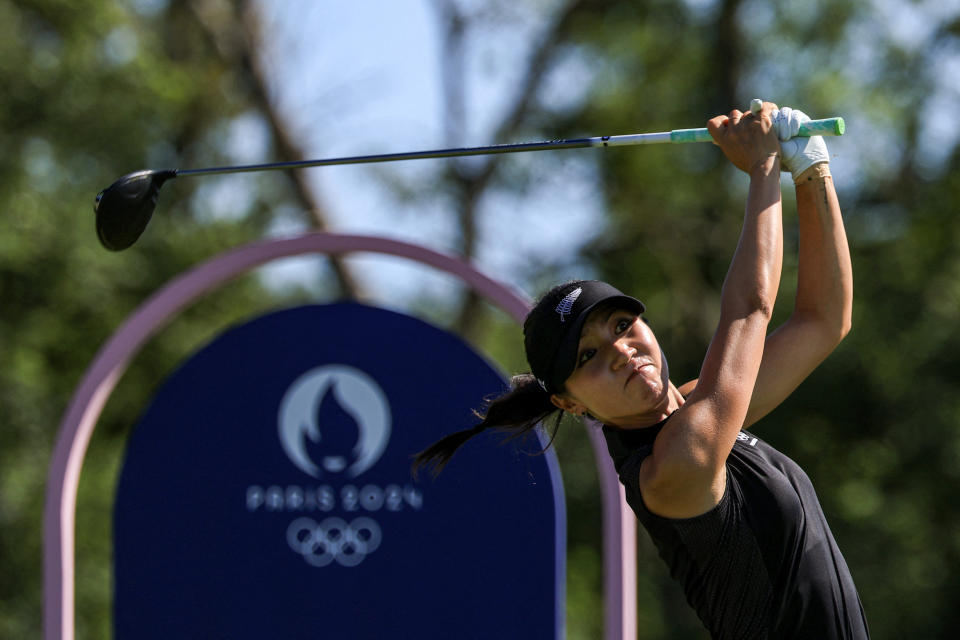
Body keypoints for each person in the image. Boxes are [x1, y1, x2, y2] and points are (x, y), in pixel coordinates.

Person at [413, 101, 869, 638]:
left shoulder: (700, 409)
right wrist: (764, 167)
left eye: (622, 324)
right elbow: (750, 308)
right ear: (569, 402)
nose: (620, 350)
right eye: (587, 357)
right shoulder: (672, 468)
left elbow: (822, 320)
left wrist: (811, 169)